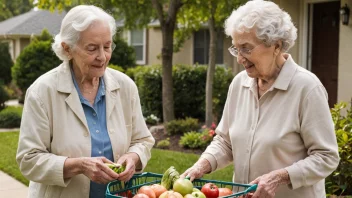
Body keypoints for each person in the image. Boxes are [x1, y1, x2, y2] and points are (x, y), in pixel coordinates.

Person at [181, 0, 339, 197]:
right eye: (236, 48)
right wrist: (202, 164)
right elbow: (225, 141)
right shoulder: (239, 84)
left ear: (276, 45)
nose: (239, 58)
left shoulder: (307, 88)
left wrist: (280, 177)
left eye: (246, 48)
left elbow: (326, 157)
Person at [16, 5, 155, 198]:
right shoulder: (42, 92)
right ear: (67, 49)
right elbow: (28, 160)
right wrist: (80, 165)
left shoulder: (125, 86)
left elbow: (142, 140)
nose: (102, 56)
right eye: (92, 48)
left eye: (107, 46)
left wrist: (134, 157)